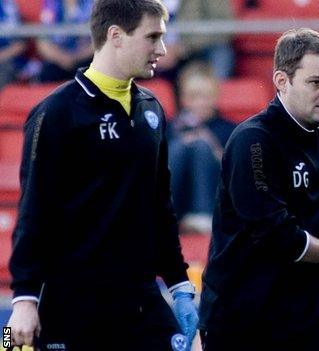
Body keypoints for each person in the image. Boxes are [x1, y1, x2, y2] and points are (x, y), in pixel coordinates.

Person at [7, 1, 198, 350]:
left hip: (140, 298)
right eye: (152, 37)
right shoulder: (56, 113)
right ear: (116, 36)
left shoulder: (152, 109)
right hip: (74, 302)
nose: (163, 49)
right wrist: (23, 299)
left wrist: (179, 284)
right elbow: (34, 210)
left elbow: (160, 207)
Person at [198, 28, 319, 351]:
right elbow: (278, 235)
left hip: (310, 313)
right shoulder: (253, 141)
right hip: (245, 318)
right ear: (281, 80)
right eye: (316, 83)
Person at [168, 61, 236, 234]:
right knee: (178, 147)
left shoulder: (231, 129)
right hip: (176, 201)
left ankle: (201, 217)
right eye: (193, 96)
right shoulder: (168, 128)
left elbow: (238, 174)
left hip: (214, 204)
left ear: (216, 95)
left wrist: (210, 145)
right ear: (182, 98)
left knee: (200, 146)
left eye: (206, 96)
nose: (200, 102)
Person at [36, 0, 94, 82]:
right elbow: (42, 41)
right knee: (47, 73)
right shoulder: (51, 3)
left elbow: (101, 38)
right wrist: (62, 57)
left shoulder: (93, 3)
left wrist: (79, 56)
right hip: (59, 59)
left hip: (86, 57)